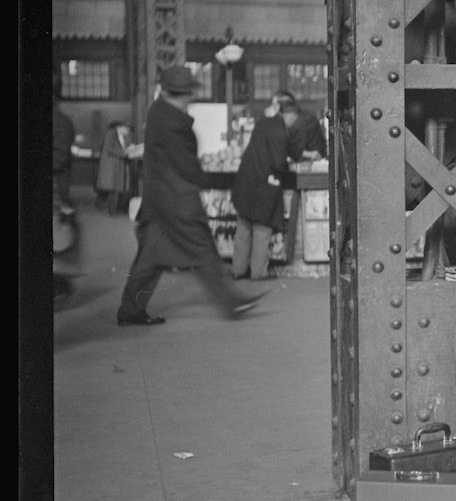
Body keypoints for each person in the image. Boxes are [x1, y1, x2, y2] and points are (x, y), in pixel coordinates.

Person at [116, 65, 268, 326]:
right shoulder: (174, 123)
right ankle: (232, 303)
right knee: (204, 250)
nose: (191, 99)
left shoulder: (157, 113)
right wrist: (231, 179)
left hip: (158, 200)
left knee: (151, 257)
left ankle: (130, 310)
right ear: (184, 94)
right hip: (178, 202)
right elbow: (189, 169)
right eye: (189, 94)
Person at [231, 95, 302, 280]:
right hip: (264, 185)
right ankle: (258, 273)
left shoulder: (263, 122)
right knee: (262, 230)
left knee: (243, 227)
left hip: (245, 180)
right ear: (290, 115)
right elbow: (278, 162)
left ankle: (238, 270)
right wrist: (289, 169)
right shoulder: (280, 130)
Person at [273, 89, 327, 160]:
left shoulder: (305, 122)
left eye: (275, 106)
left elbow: (290, 149)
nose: (275, 111)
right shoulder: (284, 123)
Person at [95, 120, 134, 214]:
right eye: (126, 130)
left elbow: (127, 146)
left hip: (121, 165)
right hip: (111, 165)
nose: (127, 133)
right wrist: (125, 152)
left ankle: (115, 208)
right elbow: (110, 149)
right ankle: (112, 210)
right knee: (113, 188)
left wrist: (131, 149)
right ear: (121, 127)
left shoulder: (126, 135)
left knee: (117, 187)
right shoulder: (110, 134)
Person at [52, 84, 76, 207]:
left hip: (57, 158)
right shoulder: (65, 120)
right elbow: (71, 139)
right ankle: (66, 211)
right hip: (63, 161)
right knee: (63, 192)